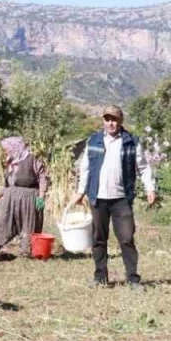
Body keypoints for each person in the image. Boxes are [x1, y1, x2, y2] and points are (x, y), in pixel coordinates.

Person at [68, 105, 157, 287]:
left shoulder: (131, 142)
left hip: (121, 199)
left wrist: (150, 188)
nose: (110, 123)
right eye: (107, 119)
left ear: (120, 120)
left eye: (114, 119)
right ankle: (100, 278)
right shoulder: (93, 141)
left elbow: (143, 167)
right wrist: (80, 192)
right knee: (99, 239)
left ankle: (133, 279)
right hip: (98, 198)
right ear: (103, 120)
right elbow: (85, 169)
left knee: (126, 238)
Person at [0, 136, 50, 257]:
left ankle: (26, 251)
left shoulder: (32, 158)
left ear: (15, 147)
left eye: (7, 148)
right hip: (11, 197)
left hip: (29, 197)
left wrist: (41, 198)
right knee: (0, 221)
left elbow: (43, 178)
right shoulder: (10, 162)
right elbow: (7, 185)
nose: (5, 151)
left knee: (29, 224)